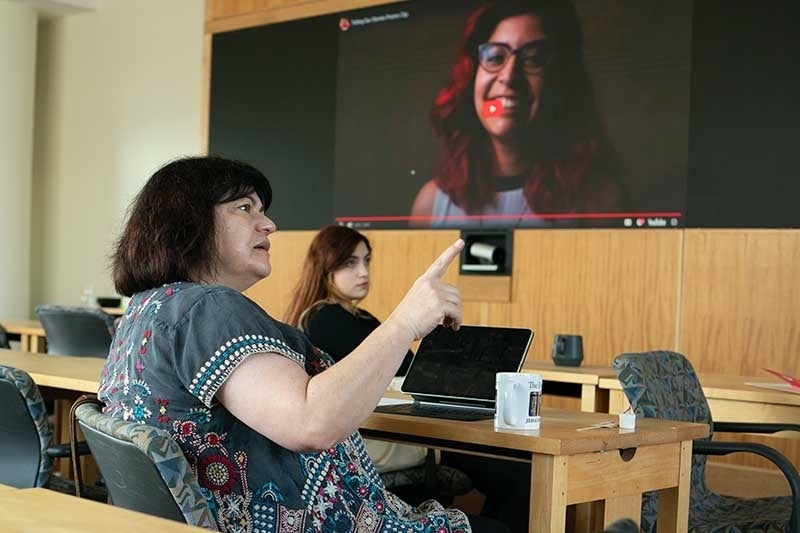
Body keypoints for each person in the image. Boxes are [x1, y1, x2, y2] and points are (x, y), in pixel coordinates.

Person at [98, 155, 510, 533]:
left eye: (263, 210)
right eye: (245, 208)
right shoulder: (208, 308)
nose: (269, 224)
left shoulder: (146, 310)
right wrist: (404, 322)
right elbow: (311, 422)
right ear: (187, 222)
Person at [410, 0, 626, 228]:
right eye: (495, 57)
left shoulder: (599, 202)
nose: (510, 76)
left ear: (561, 81)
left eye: (533, 58)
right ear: (471, 77)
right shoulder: (430, 205)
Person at [284, 225, 412, 377]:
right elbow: (408, 369)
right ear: (328, 267)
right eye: (351, 262)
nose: (364, 272)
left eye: (367, 260)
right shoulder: (327, 318)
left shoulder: (359, 317)